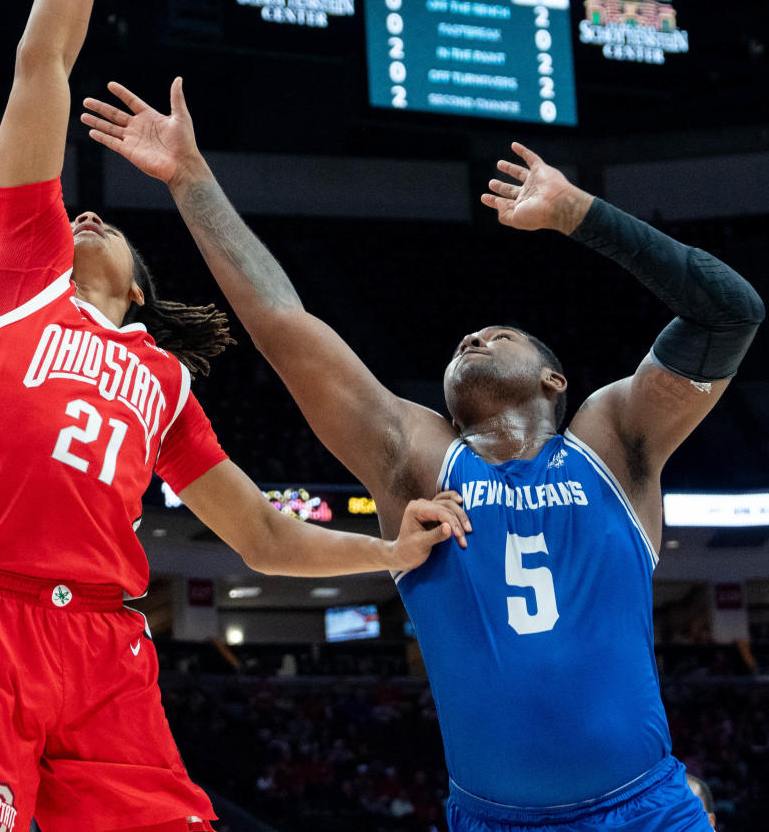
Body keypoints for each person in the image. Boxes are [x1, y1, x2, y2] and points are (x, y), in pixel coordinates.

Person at [0, 0, 465, 832]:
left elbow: (257, 530)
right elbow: (44, 61)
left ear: (144, 287)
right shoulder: (19, 271)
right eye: (76, 216)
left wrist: (389, 551)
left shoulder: (161, 379)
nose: (82, 221)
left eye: (100, 224)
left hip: (109, 646)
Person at [80, 81, 765, 832]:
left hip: (646, 812)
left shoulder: (613, 440)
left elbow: (730, 311)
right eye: (466, 341)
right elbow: (281, 323)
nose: (473, 339)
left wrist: (581, 215)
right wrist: (191, 178)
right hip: (492, 821)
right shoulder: (419, 458)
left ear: (554, 378)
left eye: (499, 336)